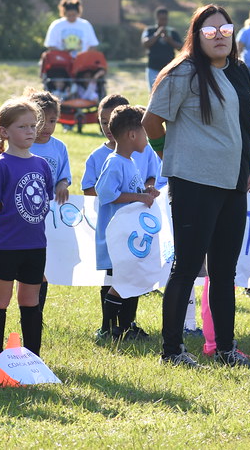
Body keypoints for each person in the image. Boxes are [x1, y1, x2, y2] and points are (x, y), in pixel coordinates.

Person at [143, 4, 250, 368]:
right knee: (187, 267)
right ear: (196, 35)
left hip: (233, 184)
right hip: (193, 183)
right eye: (210, 31)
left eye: (226, 29)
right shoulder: (182, 73)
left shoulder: (239, 71)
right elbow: (151, 123)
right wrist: (172, 160)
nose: (219, 36)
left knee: (225, 272)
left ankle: (225, 349)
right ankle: (172, 351)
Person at [0, 99, 54, 364]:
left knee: (30, 301)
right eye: (22, 126)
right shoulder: (1, 165)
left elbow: (44, 199)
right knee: (0, 301)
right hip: (6, 245)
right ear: (4, 131)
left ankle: (34, 358)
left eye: (33, 125)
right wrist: (7, 208)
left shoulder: (42, 165)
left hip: (35, 245)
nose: (30, 131)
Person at [93, 104, 157, 343]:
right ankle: (107, 329)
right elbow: (106, 193)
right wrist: (139, 197)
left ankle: (127, 327)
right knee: (121, 283)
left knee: (134, 281)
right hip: (115, 239)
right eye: (144, 132)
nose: (147, 138)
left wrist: (146, 192)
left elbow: (130, 191)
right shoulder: (115, 162)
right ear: (132, 135)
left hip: (129, 238)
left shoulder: (129, 162)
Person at [142, 7, 183, 88]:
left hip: (169, 70)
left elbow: (181, 48)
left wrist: (170, 40)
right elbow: (145, 43)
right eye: (161, 19)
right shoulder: (150, 30)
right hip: (153, 68)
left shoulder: (172, 32)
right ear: (156, 18)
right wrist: (157, 34)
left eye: (165, 19)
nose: (163, 22)